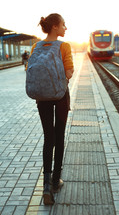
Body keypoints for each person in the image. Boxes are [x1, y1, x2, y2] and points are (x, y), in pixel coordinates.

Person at [29, 13, 74, 205]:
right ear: (55, 26)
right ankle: (56, 180)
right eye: (64, 25)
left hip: (41, 97)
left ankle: (46, 186)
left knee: (48, 136)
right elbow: (70, 72)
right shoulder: (64, 46)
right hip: (60, 95)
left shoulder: (35, 46)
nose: (66, 28)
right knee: (59, 135)